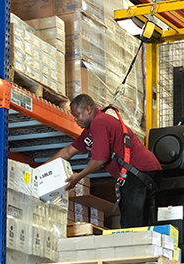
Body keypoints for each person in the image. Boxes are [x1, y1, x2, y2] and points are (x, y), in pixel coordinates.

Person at [45, 94, 162, 228]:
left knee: (131, 224)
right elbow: (68, 151)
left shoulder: (99, 122)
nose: (75, 119)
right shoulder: (90, 130)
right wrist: (40, 170)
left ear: (88, 109)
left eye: (77, 115)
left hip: (138, 172)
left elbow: (99, 160)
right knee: (141, 223)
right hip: (145, 171)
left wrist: (78, 177)